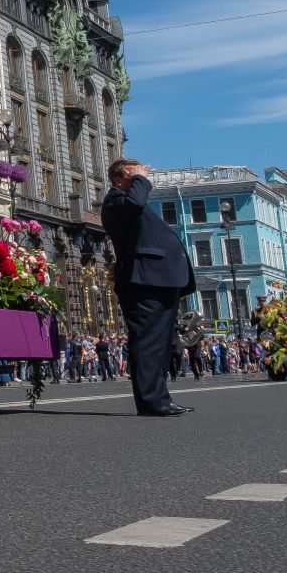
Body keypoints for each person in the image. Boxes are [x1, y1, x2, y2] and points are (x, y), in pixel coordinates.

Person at [100, 158, 197, 417]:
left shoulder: (127, 201)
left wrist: (138, 178)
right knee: (148, 341)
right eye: (135, 175)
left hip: (157, 279)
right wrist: (140, 180)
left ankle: (160, 398)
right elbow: (136, 203)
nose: (143, 176)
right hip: (144, 281)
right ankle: (151, 400)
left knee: (160, 342)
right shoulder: (115, 201)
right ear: (121, 179)